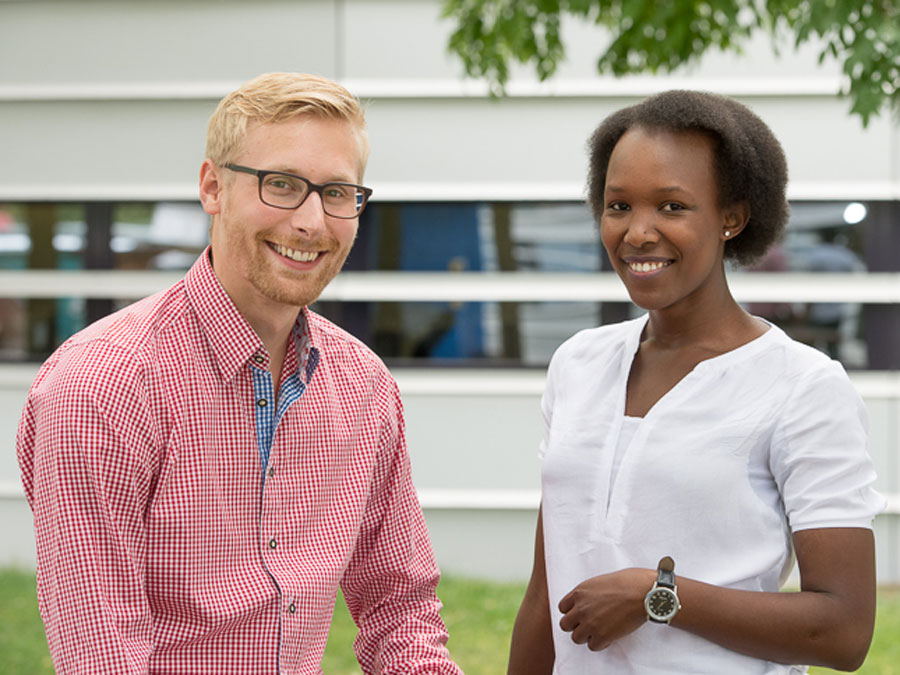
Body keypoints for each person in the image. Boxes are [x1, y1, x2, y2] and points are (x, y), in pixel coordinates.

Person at [17, 72, 463, 675]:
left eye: (337, 192)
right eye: (281, 185)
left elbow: (399, 610)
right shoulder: (103, 387)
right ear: (212, 187)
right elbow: (102, 653)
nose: (312, 222)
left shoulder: (365, 385)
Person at [507, 90, 885, 674]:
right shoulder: (578, 364)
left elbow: (843, 629)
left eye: (672, 206)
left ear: (732, 217)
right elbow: (543, 597)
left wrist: (657, 596)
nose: (637, 232)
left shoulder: (803, 387)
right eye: (618, 205)